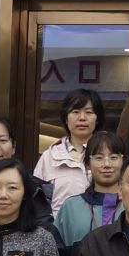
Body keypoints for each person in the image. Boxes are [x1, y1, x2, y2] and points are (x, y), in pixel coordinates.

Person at [54, 130, 125, 256]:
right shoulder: (70, 207)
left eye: (113, 157)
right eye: (99, 158)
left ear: (124, 162)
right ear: (87, 163)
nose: (107, 164)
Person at [34, 87, 103, 216]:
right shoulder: (49, 157)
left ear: (97, 118)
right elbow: (37, 201)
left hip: (100, 226)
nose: (82, 118)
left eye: (89, 112)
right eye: (75, 112)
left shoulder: (108, 155)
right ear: (66, 118)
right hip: (57, 227)